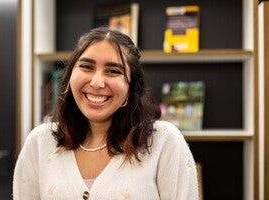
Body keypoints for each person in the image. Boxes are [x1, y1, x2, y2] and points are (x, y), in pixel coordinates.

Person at [13, 27, 199, 200]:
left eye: (113, 71)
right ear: (69, 77)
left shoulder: (163, 141)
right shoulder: (40, 141)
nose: (97, 82)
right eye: (87, 66)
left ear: (130, 89)